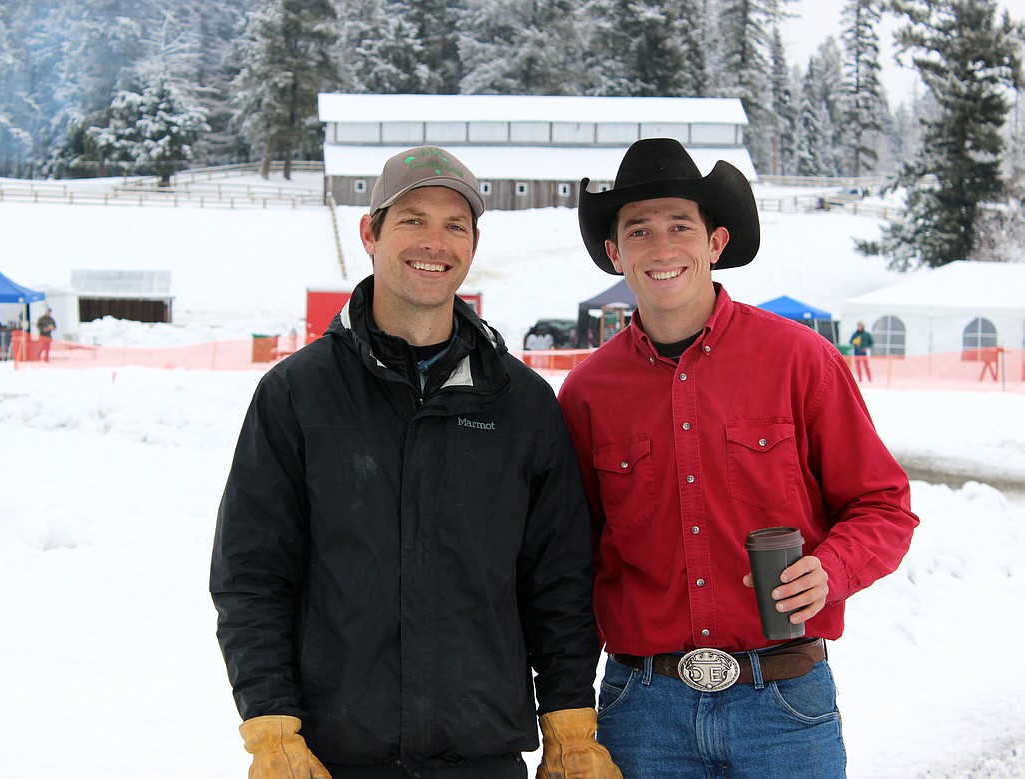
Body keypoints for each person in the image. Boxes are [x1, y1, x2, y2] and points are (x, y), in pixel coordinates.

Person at [211, 146, 619, 779]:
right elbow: (252, 574)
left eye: (455, 226)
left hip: (482, 757)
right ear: (370, 233)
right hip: (334, 757)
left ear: (473, 247)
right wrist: (270, 724)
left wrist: (568, 720)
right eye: (413, 219)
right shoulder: (298, 393)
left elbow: (559, 581)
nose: (435, 241)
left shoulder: (522, 403)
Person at [557, 138, 919, 778]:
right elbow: (569, 558)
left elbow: (883, 506)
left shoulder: (800, 360)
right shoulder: (586, 395)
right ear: (615, 253)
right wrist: (564, 713)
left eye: (680, 226)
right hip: (641, 712)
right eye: (639, 231)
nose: (662, 248)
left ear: (716, 242)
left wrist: (830, 568)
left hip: (784, 707)